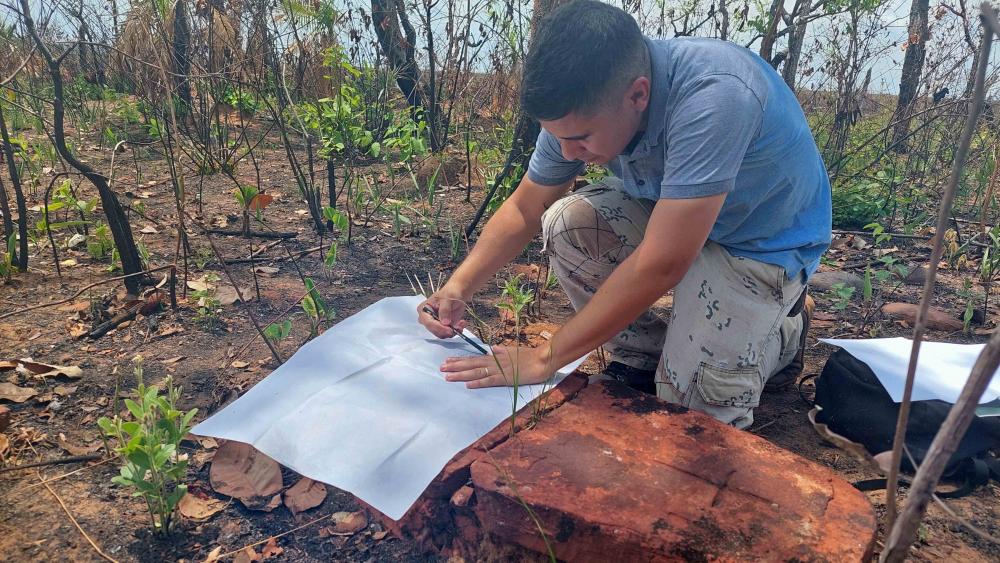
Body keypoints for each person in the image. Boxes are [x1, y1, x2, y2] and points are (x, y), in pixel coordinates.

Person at [417, 0, 831, 429]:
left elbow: (663, 262)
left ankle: (782, 337)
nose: (566, 153)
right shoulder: (583, 107)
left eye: (579, 139)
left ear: (638, 94)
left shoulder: (716, 94)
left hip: (757, 243)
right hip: (673, 219)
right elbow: (526, 207)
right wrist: (458, 286)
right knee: (567, 223)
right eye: (557, 137)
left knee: (690, 416)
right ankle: (641, 355)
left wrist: (545, 357)